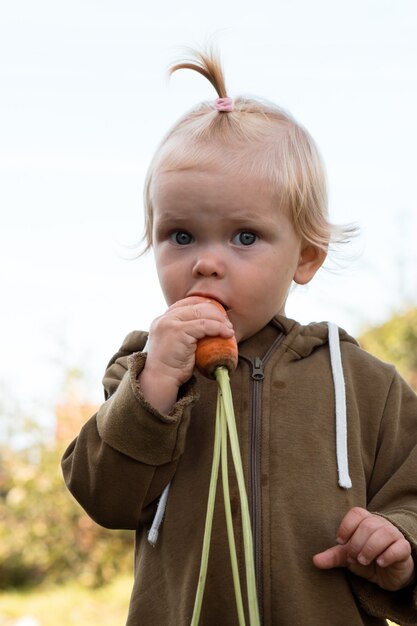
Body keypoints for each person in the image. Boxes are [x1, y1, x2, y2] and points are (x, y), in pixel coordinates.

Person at [61, 49, 417, 625]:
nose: (206, 263)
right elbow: (104, 498)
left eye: (244, 237)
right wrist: (153, 390)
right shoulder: (141, 373)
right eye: (180, 235)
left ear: (305, 257)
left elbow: (412, 492)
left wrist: (401, 541)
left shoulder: (361, 383)